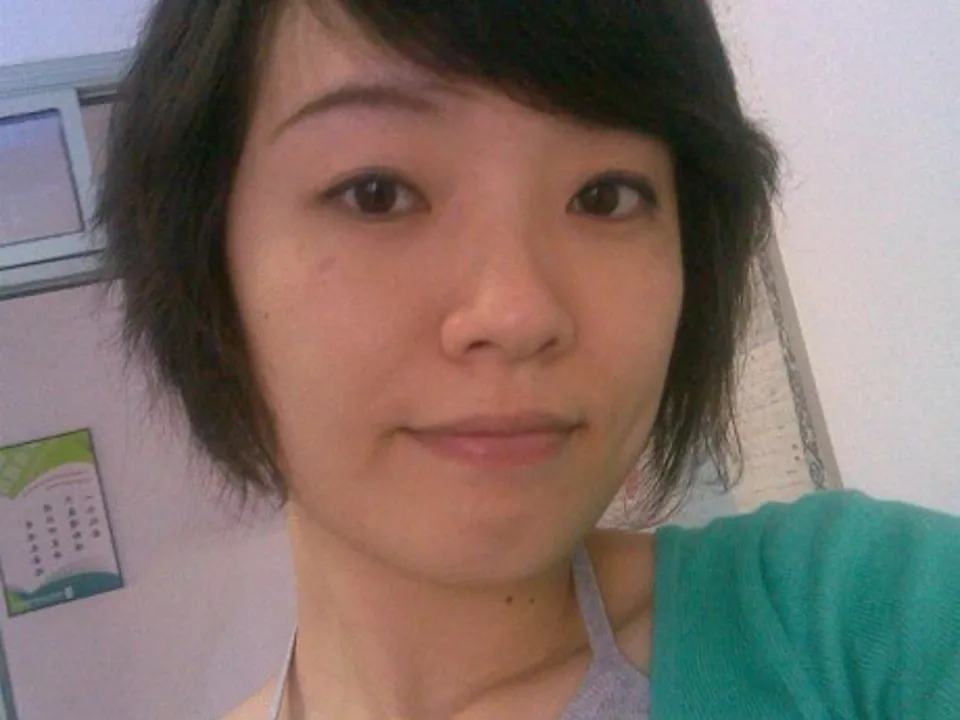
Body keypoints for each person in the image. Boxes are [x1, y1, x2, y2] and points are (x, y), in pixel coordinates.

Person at [96, 1, 960, 718]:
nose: (518, 313)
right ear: (207, 263)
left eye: (605, 196)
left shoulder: (850, 625)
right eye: (377, 193)